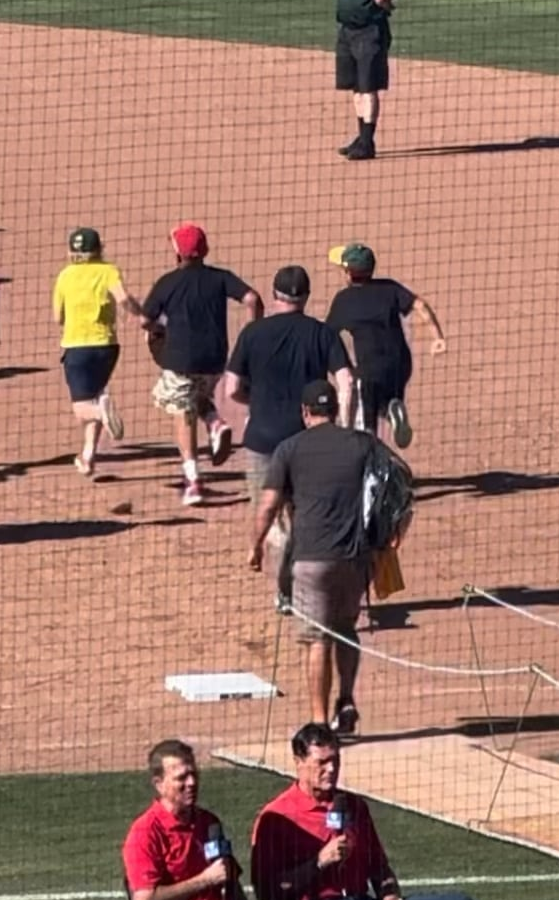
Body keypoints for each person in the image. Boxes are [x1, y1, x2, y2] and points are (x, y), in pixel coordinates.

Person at [247, 381, 373, 733]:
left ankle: (319, 723)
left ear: (305, 413)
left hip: (311, 559)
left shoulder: (290, 449)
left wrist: (255, 546)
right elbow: (396, 486)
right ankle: (346, 701)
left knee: (316, 639)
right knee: (346, 629)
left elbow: (269, 504)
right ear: (335, 410)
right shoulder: (362, 444)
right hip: (354, 558)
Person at [141, 223, 263, 506]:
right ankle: (215, 422)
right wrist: (252, 333)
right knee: (196, 396)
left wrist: (159, 327)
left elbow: (145, 320)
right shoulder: (219, 278)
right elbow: (252, 298)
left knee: (181, 411)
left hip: (180, 359)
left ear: (177, 254)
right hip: (214, 358)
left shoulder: (167, 282)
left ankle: (193, 480)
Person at [225, 266, 354, 525]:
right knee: (307, 517)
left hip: (263, 437)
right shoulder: (322, 333)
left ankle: (274, 559)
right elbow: (347, 382)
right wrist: (343, 427)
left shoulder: (252, 333)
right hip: (308, 439)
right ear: (306, 297)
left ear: (274, 295)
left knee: (268, 516)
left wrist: (256, 401)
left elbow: (232, 388)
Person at [251, 722, 401, 900]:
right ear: (299, 762)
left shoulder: (355, 806)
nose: (331, 769)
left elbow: (379, 867)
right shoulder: (276, 818)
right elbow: (266, 890)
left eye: (335, 760)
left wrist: (390, 895)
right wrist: (319, 862)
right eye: (322, 762)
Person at [326, 243, 445, 449]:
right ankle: (392, 412)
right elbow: (420, 305)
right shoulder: (389, 288)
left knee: (364, 426)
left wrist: (340, 366)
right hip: (400, 365)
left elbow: (327, 336)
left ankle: (370, 466)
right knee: (387, 400)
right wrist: (437, 337)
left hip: (368, 371)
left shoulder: (344, 300)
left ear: (348, 273)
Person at [52, 227, 142, 477]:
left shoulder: (65, 276)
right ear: (99, 248)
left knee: (82, 407)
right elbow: (124, 299)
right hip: (107, 347)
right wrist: (141, 314)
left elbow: (58, 317)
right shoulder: (108, 270)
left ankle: (100, 413)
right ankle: (88, 456)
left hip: (77, 348)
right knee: (97, 394)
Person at [331, 0, 410, 161]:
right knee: (355, 85)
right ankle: (361, 136)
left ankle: (368, 142)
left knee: (368, 86)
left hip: (370, 30)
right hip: (347, 30)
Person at [122, 739, 244, 900]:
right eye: (181, 778)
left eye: (193, 774)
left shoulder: (209, 822)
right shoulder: (145, 832)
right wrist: (205, 880)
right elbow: (145, 897)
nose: (191, 783)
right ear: (159, 785)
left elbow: (229, 878)